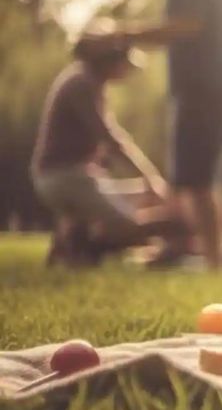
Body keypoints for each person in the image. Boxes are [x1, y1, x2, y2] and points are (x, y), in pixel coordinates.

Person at [118, 0, 222, 269]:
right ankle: (200, 256)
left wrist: (123, 35)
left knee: (200, 178)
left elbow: (187, 24)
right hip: (216, 86)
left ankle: (212, 264)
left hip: (206, 86)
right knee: (196, 176)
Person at [31, 32, 184, 266]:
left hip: (78, 177)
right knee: (129, 226)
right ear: (110, 60)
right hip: (64, 178)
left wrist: (149, 185)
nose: (126, 72)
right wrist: (150, 177)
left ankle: (72, 239)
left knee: (143, 197)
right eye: (124, 64)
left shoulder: (88, 82)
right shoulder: (81, 83)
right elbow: (111, 139)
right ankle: (81, 245)